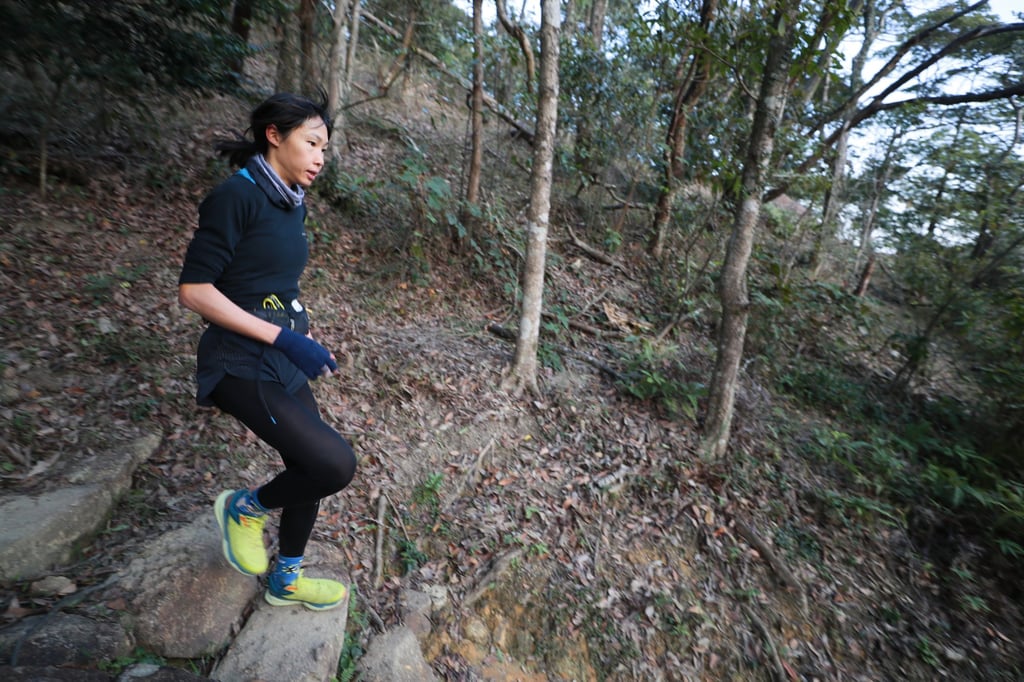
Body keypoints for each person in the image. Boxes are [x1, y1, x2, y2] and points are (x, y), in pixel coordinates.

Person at [178, 92, 356, 611]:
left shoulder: (288, 202)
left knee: (310, 466)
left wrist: (293, 331)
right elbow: (194, 290)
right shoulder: (238, 196)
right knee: (334, 464)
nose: (321, 157)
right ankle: (244, 509)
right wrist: (285, 336)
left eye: (326, 146)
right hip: (238, 363)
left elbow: (264, 281)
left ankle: (287, 580)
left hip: (280, 361)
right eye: (312, 143)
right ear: (274, 136)